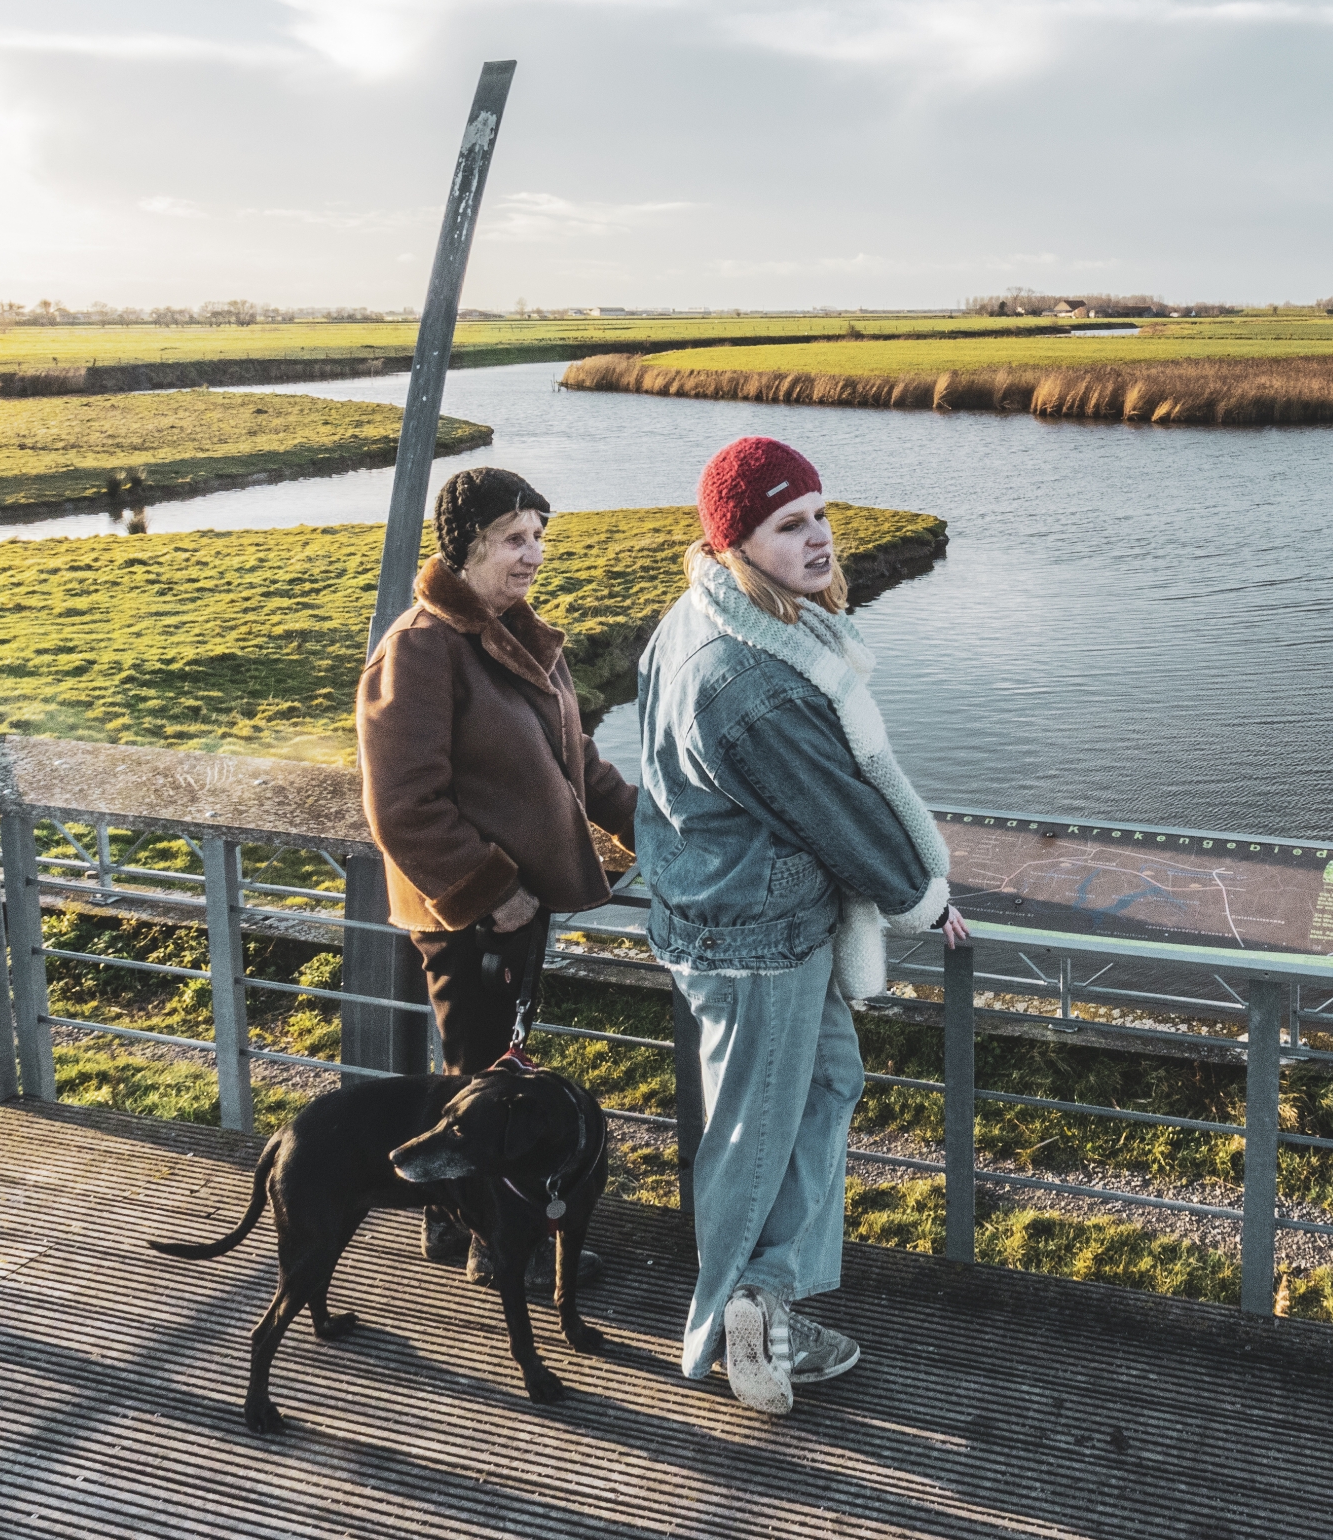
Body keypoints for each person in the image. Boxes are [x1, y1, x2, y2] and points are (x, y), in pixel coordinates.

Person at [631, 435, 968, 1417]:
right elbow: (842, 813)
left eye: (821, 513)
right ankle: (739, 1312)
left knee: (826, 1084)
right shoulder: (751, 681)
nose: (819, 537)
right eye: (790, 524)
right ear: (738, 543)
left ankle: (768, 1296)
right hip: (757, 934)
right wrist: (925, 895)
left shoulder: (702, 621)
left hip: (727, 910)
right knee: (758, 1130)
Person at [358, 466, 639, 1285]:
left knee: (491, 1071)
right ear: (466, 545)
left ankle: (452, 1222)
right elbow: (403, 804)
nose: (533, 555)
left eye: (539, 537)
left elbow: (574, 761)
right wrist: (495, 892)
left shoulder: (513, 631)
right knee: (481, 1080)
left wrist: (645, 820)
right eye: (514, 539)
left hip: (517, 910)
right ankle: (492, 1243)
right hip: (469, 914)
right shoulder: (420, 646)